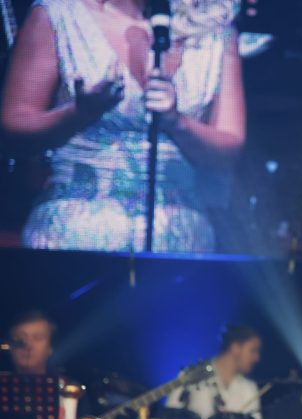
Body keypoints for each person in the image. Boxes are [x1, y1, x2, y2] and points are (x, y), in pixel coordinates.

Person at [0, 0, 245, 252]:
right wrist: (78, 114)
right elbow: (13, 129)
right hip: (74, 236)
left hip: (178, 239)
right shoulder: (58, 16)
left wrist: (177, 122)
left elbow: (228, 151)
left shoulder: (215, 30)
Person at [166, 323, 263, 419]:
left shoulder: (249, 388)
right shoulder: (192, 375)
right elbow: (169, 417)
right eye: (253, 351)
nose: (257, 358)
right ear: (235, 347)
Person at [6, 309, 56, 375]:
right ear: (10, 345)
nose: (28, 344)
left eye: (38, 338)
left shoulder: (64, 381)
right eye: (20, 338)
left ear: (50, 348)